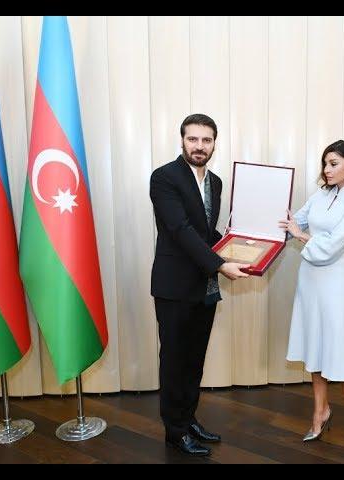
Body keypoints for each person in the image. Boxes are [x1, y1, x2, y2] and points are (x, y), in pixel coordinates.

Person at [149, 113, 250, 457]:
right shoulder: (164, 177)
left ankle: (188, 419)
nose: (199, 146)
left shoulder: (216, 182)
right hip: (174, 287)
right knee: (174, 362)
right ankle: (174, 432)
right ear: (182, 140)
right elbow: (179, 231)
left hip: (204, 287)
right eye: (193, 139)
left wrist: (244, 246)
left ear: (214, 144)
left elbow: (207, 234)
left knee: (194, 361)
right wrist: (221, 264)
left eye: (206, 140)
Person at [279, 139, 344, 461]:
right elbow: (295, 219)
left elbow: (333, 245)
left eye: (333, 164)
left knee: (337, 352)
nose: (326, 170)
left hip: (334, 278)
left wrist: (302, 235)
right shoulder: (322, 194)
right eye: (325, 163)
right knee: (314, 344)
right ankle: (320, 411)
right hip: (309, 276)